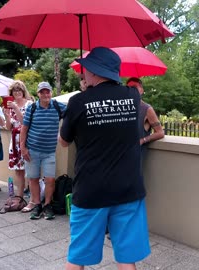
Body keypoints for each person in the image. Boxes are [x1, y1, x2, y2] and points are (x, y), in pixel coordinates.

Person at [59, 47, 150, 270]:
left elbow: (64, 141)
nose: (83, 72)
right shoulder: (132, 96)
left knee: (78, 255)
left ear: (95, 71)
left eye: (86, 68)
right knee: (127, 258)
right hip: (128, 188)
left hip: (91, 189)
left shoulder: (79, 101)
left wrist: (83, 98)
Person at [20, 81, 66, 220]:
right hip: (32, 150)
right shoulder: (32, 108)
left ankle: (47, 205)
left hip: (49, 152)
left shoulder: (58, 107)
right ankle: (37, 205)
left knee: (50, 180)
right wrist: (23, 148)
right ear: (38, 94)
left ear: (51, 93)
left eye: (48, 91)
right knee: (33, 179)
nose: (45, 94)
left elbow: (74, 114)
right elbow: (24, 129)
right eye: (42, 92)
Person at [3, 80, 32, 210]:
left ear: (23, 91)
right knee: (19, 170)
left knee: (31, 170)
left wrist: (15, 108)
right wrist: (7, 116)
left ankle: (33, 199)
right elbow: (8, 127)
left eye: (19, 90)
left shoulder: (30, 104)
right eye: (14, 90)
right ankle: (20, 197)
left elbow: (25, 122)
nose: (17, 92)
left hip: (26, 140)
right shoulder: (11, 106)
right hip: (14, 141)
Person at [126, 77, 164, 159]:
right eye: (129, 88)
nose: (132, 90)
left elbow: (160, 133)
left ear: (141, 90)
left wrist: (143, 140)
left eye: (135, 87)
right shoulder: (123, 108)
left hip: (136, 155)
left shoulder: (146, 109)